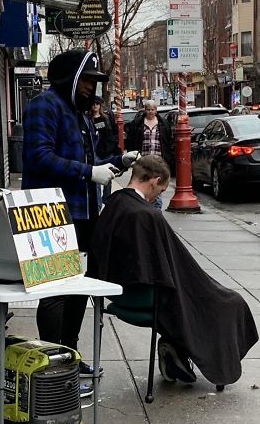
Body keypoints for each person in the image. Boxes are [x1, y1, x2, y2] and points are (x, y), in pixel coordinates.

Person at [88, 156, 259, 387]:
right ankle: (191, 354)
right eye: (160, 190)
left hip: (118, 293)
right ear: (154, 181)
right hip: (151, 297)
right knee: (228, 302)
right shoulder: (147, 216)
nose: (158, 196)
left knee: (197, 298)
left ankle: (175, 350)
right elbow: (173, 269)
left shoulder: (113, 205)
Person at [22, 49, 139, 380]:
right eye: (87, 80)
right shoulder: (44, 106)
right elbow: (39, 158)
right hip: (47, 214)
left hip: (82, 212)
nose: (92, 87)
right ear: (69, 78)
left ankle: (68, 357)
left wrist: (116, 162)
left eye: (95, 81)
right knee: (54, 292)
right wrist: (90, 173)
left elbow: (88, 162)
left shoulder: (80, 114)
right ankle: (49, 364)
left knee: (77, 289)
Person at [125, 100, 174, 209]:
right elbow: (132, 140)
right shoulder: (138, 124)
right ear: (145, 110)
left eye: (153, 110)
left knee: (157, 187)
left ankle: (156, 212)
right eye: (148, 110)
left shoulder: (163, 124)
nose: (150, 112)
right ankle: (143, 207)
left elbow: (168, 141)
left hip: (158, 160)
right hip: (143, 160)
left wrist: (169, 158)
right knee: (143, 183)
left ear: (156, 111)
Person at [90, 98, 118, 202]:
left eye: (97, 103)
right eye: (93, 103)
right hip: (96, 151)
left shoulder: (107, 117)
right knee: (96, 178)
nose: (95, 106)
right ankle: (98, 203)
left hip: (108, 150)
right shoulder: (88, 119)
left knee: (109, 176)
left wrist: (114, 146)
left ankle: (106, 198)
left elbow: (114, 132)